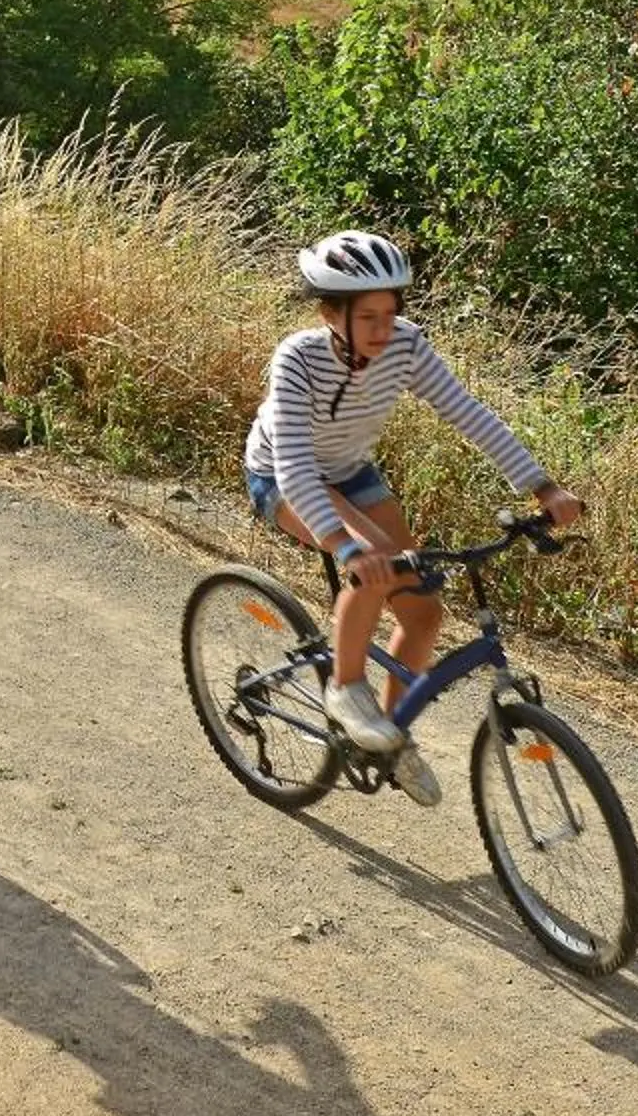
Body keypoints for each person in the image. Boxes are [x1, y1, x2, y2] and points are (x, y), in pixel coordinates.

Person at [243, 230, 583, 803]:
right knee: (376, 561)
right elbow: (297, 466)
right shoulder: (297, 359)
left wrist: (543, 487)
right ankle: (347, 689)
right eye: (368, 316)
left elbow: (470, 416)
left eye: (391, 312)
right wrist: (344, 545)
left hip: (352, 471)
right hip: (282, 474)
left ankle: (392, 741)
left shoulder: (405, 346)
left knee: (423, 611)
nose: (383, 328)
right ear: (330, 312)